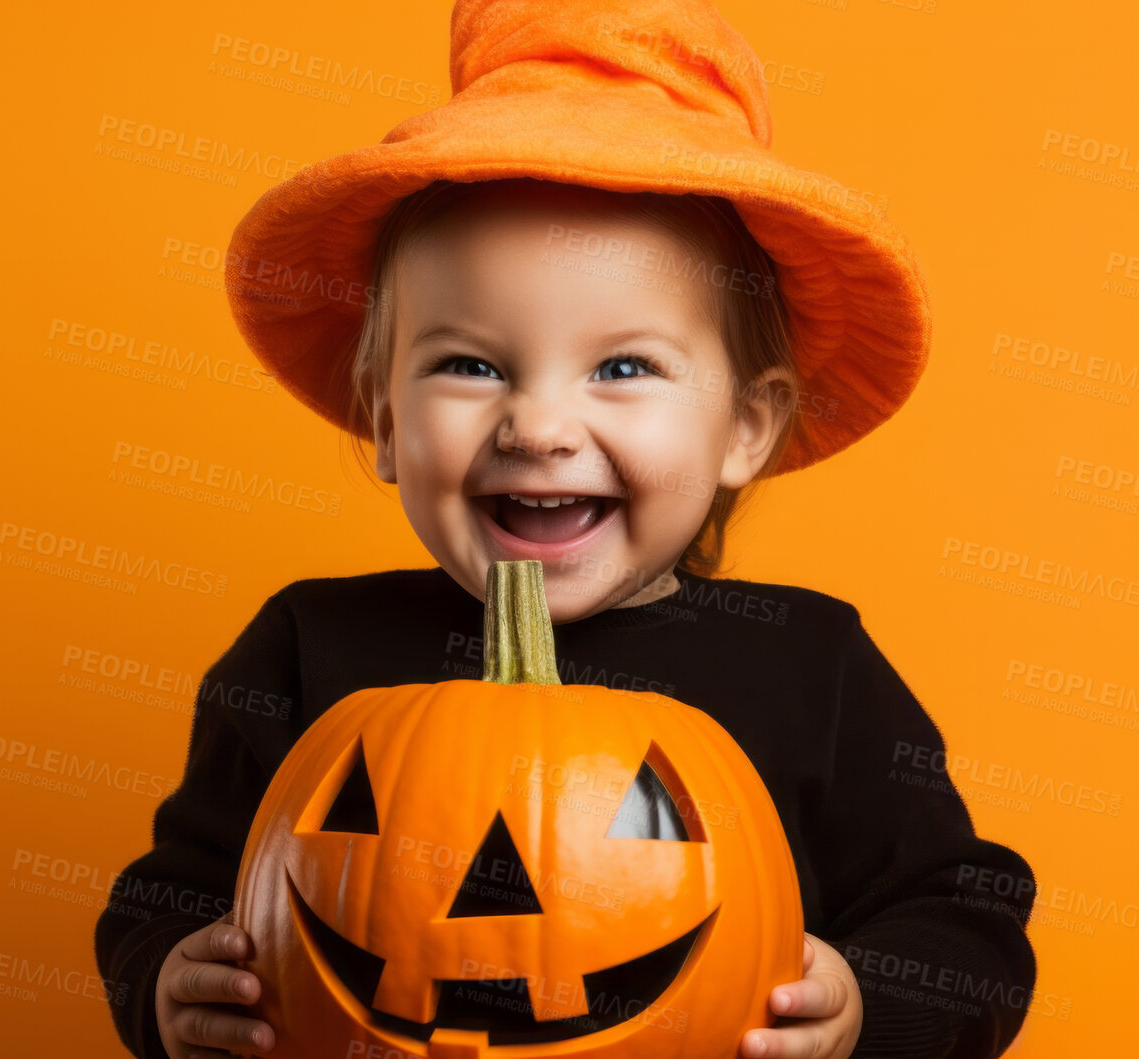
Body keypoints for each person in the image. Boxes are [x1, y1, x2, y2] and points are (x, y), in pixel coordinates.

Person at [94, 2, 1037, 1057]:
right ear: (384, 422)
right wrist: (165, 983)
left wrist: (868, 1009)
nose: (537, 426)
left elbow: (965, 919)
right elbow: (171, 894)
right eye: (469, 364)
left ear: (744, 427)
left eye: (622, 368)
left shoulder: (812, 668)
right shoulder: (306, 647)